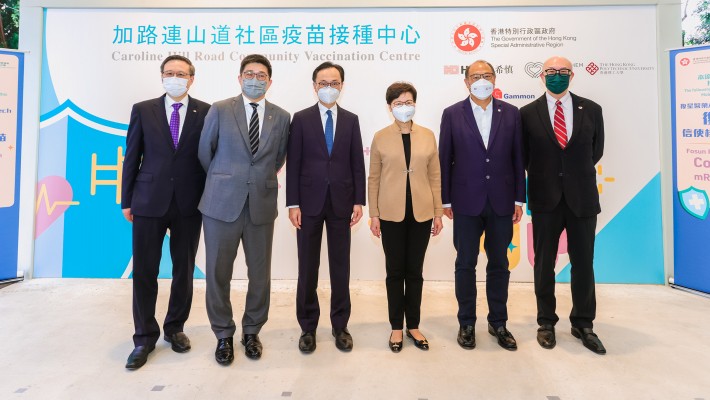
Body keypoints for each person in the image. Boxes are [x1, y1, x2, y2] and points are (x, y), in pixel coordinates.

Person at [198, 54, 290, 365]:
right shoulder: (221, 109)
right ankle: (223, 334)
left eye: (261, 75)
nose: (255, 79)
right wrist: (228, 181)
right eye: (249, 74)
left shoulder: (282, 116)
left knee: (260, 274)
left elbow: (277, 159)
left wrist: (254, 181)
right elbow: (204, 153)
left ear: (269, 81)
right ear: (239, 79)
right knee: (217, 273)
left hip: (261, 206)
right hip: (220, 204)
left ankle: (252, 331)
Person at [121, 55, 210, 370]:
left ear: (191, 79)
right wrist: (126, 200)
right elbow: (132, 155)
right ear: (162, 76)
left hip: (190, 202)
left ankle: (175, 328)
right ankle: (144, 337)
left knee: (184, 270)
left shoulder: (206, 112)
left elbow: (210, 158)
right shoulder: (144, 109)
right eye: (170, 73)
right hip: (148, 200)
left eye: (181, 74)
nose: (175, 78)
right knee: (144, 271)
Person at [520, 56, 606, 355]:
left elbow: (596, 151)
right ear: (541, 76)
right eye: (551, 72)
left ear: (573, 75)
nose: (557, 76)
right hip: (545, 199)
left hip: (582, 198)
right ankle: (546, 322)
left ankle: (583, 323)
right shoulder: (527, 113)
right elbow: (525, 156)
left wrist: (571, 176)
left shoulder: (592, 109)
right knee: (544, 264)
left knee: (583, 263)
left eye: (563, 71)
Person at [439, 60, 525, 351]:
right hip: (465, 202)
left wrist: (518, 198)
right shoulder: (452, 114)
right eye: (475, 76)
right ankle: (466, 323)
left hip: (501, 202)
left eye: (487, 75)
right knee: (465, 264)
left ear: (495, 79)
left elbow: (518, 159)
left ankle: (498, 322)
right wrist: (445, 200)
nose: (481, 80)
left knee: (500, 263)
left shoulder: (511, 113)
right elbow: (445, 159)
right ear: (466, 82)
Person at [286, 61, 366, 353]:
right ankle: (308, 327)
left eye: (334, 83)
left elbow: (357, 161)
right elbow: (293, 163)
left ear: (342, 86)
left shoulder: (351, 119)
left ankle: (340, 325)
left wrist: (359, 200)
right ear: (314, 86)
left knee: (340, 267)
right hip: (307, 203)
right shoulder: (301, 118)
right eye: (323, 83)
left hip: (342, 203)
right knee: (307, 267)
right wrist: (292, 203)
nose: (329, 87)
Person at [368, 82, 443, 353]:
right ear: (390, 107)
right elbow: (373, 178)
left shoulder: (427, 136)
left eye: (408, 102)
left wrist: (437, 213)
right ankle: (396, 328)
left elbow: (435, 177)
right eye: (398, 103)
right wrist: (373, 214)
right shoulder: (380, 137)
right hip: (390, 214)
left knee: (415, 272)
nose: (404, 107)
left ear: (415, 104)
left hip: (422, 213)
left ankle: (413, 325)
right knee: (394, 271)